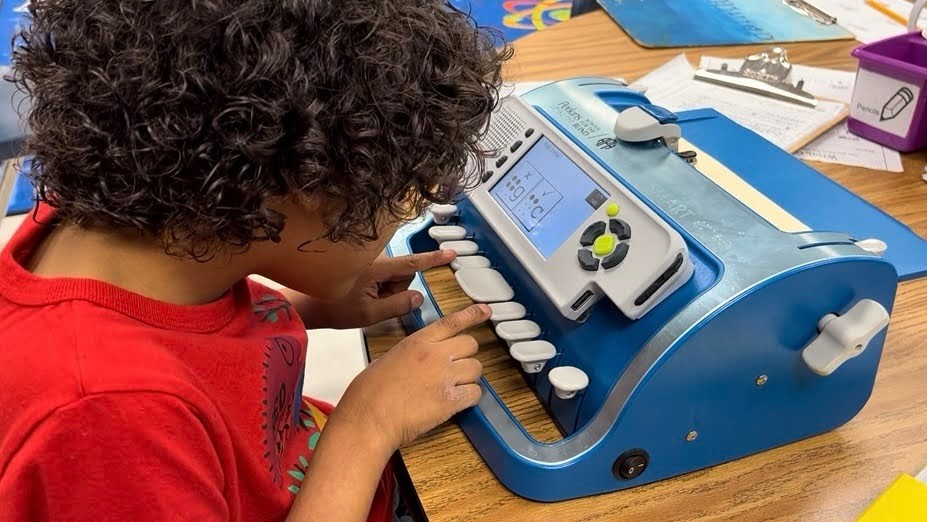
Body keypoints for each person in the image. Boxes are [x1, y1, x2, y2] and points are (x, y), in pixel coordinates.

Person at [0, 1, 511, 520]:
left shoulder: (114, 213)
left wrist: (299, 305)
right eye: (399, 196)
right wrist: (368, 425)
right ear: (304, 181)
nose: (402, 215)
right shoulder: (106, 417)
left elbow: (171, 335)